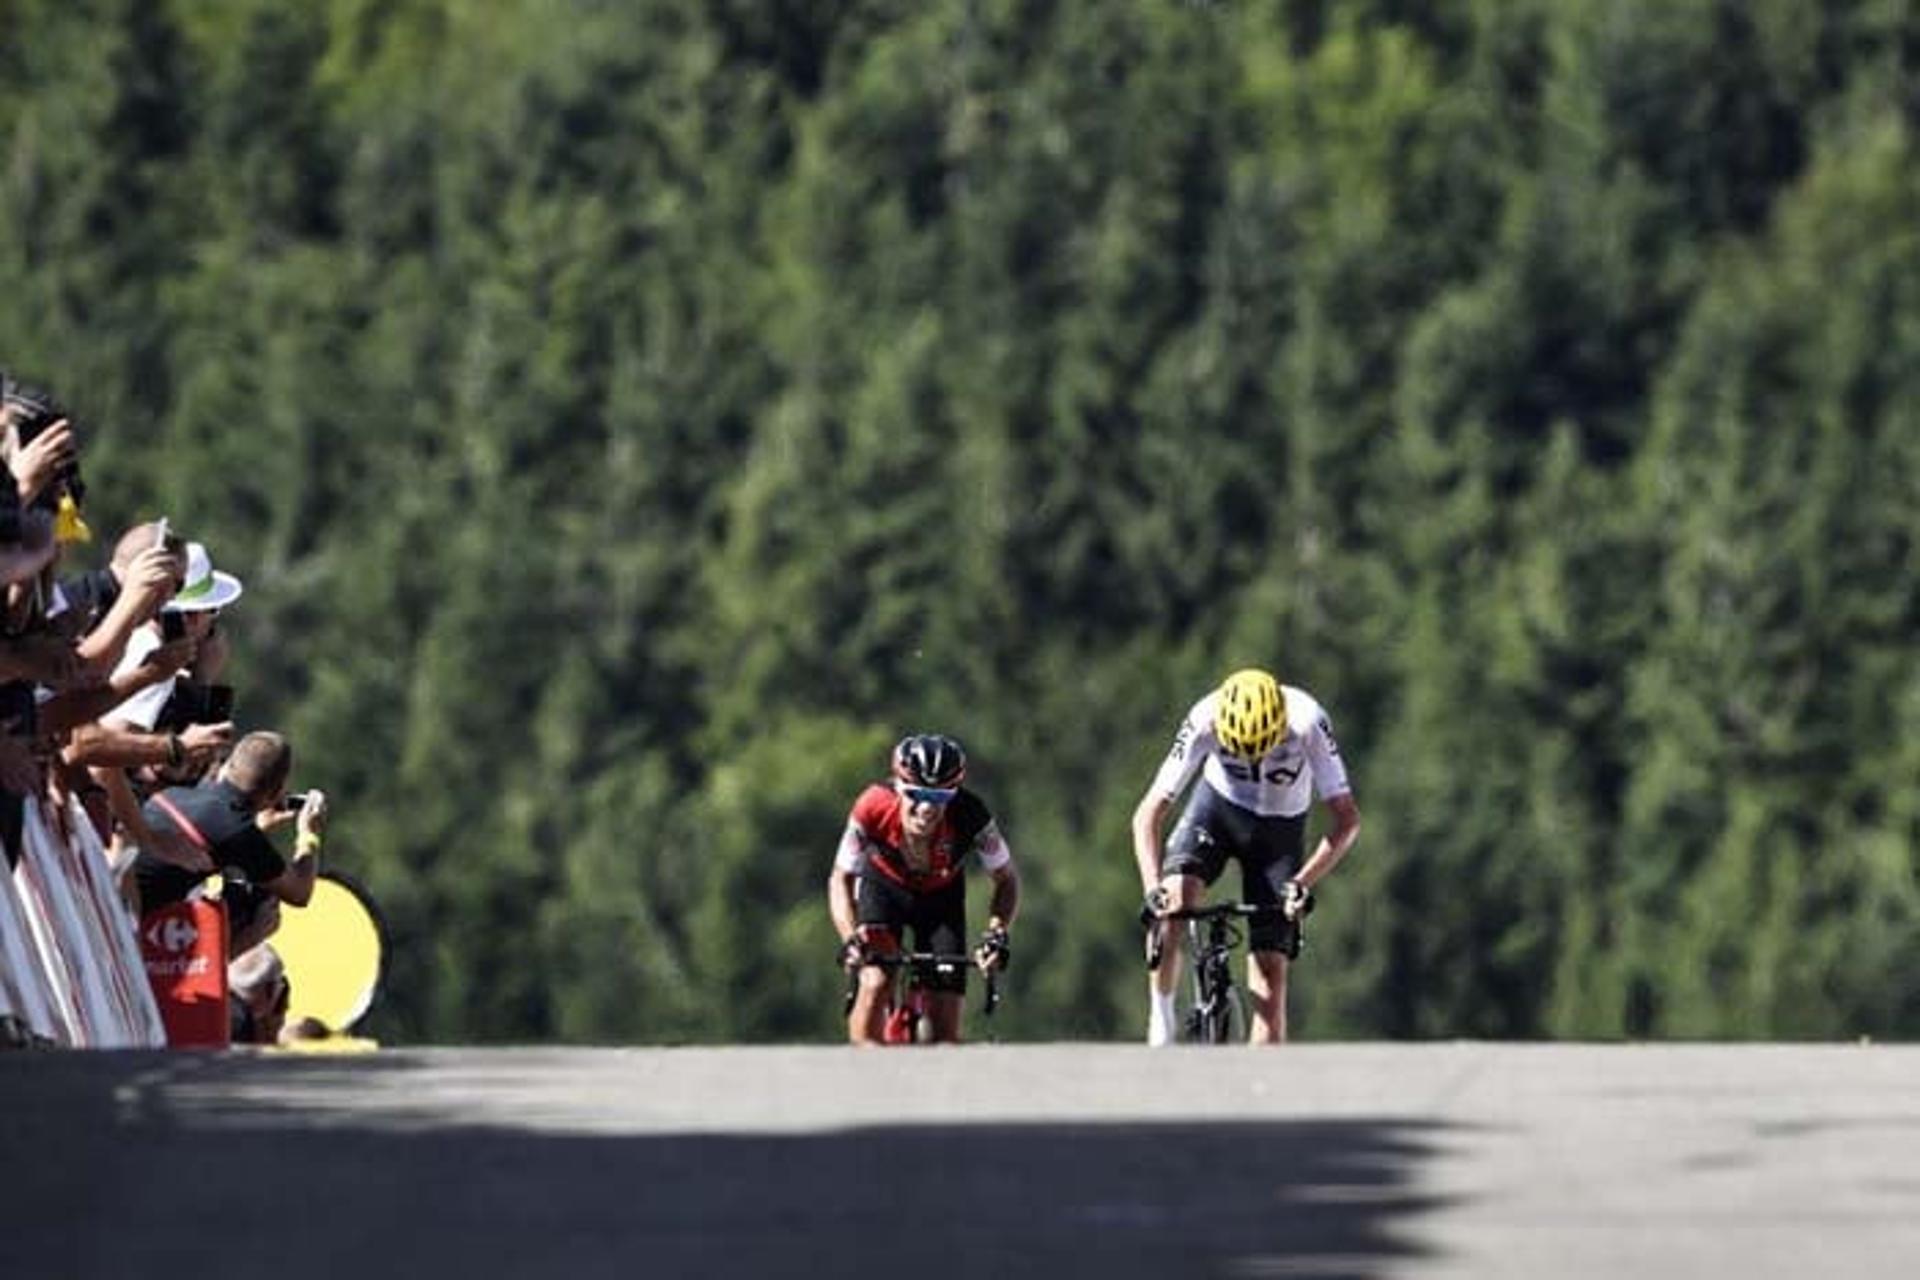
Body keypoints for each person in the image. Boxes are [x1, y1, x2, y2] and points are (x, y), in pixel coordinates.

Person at [1132, 668, 1360, 1046]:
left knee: (1270, 980)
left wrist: (1302, 882)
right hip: (1218, 811)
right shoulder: (1205, 717)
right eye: (1240, 752)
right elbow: (1147, 815)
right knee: (1173, 902)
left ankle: (1261, 1093)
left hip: (1279, 831)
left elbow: (1347, 820)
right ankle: (1161, 1020)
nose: (1253, 763)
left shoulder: (1307, 722)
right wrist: (1151, 888)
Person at [827, 734, 1018, 1045]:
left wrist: (996, 933)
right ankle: (863, 1066)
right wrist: (850, 938)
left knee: (945, 1030)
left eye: (941, 797)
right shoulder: (872, 806)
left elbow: (1007, 879)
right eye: (916, 794)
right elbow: (840, 878)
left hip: (942, 897)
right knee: (875, 980)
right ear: (899, 786)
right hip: (884, 887)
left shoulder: (971, 815)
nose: (928, 808)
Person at [131, 730, 327, 951]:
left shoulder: (180, 789)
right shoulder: (239, 831)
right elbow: (299, 893)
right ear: (276, 792)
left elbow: (216, 838)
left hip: (109, 883)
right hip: (127, 919)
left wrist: (259, 827)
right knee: (258, 907)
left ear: (227, 766)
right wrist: (309, 834)